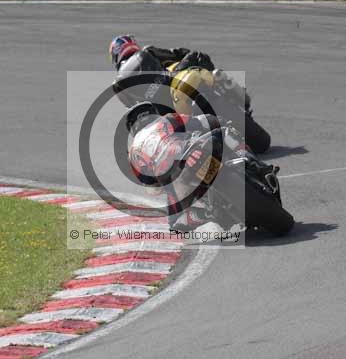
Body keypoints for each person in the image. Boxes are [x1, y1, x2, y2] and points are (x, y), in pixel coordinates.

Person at [108, 34, 270, 154]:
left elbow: (134, 111)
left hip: (167, 116)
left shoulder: (118, 85)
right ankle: (236, 99)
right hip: (179, 88)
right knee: (201, 60)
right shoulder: (147, 51)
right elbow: (180, 53)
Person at [124, 102, 250, 232]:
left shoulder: (133, 153)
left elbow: (152, 188)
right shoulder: (166, 120)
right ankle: (245, 156)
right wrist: (220, 121)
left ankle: (207, 214)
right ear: (152, 113)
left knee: (174, 223)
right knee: (226, 131)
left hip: (177, 180)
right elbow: (203, 121)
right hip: (193, 151)